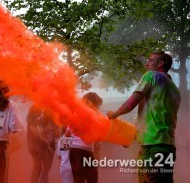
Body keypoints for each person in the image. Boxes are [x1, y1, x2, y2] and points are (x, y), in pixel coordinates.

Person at [108, 52, 181, 183]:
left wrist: (115, 114)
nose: (146, 63)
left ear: (160, 63)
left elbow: (130, 104)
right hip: (168, 147)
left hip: (152, 147)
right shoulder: (174, 88)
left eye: (150, 60)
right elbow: (156, 118)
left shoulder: (152, 76)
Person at [68, 92, 102, 183]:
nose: (98, 108)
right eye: (97, 105)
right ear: (92, 103)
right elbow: (97, 140)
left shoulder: (75, 113)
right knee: (92, 179)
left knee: (78, 180)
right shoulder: (94, 116)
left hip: (75, 151)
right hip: (85, 151)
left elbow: (67, 133)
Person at [27, 104, 59, 183]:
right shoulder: (35, 120)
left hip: (50, 145)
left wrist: (56, 128)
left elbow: (57, 135)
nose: (42, 111)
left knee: (46, 170)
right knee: (39, 168)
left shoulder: (53, 120)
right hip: (42, 146)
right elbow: (37, 134)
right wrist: (47, 130)